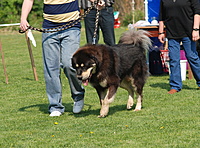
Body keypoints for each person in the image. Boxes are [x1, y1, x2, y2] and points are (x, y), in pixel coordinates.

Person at [20, 0, 87, 116]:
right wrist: (23, 18)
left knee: (69, 63)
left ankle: (78, 96)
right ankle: (55, 106)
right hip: (49, 27)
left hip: (71, 26)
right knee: (51, 68)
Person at [158, 0, 200, 94]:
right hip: (172, 33)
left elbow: (197, 13)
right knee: (174, 59)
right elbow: (161, 17)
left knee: (192, 57)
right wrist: (161, 32)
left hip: (188, 32)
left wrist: (196, 29)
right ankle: (175, 86)